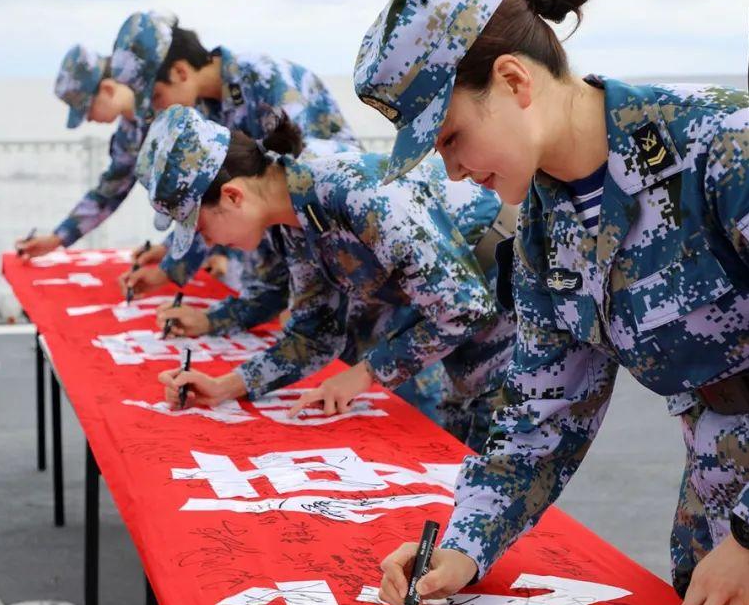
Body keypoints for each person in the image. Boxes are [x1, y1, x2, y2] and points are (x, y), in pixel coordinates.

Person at [355, 0, 749, 605]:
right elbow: (541, 418)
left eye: (450, 137)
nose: (451, 170)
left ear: (512, 80)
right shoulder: (545, 228)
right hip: (717, 512)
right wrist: (464, 545)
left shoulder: (720, 148)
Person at [137, 105, 515, 451]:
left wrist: (365, 373)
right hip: (466, 311)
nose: (210, 242)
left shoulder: (354, 191)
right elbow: (314, 334)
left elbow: (464, 307)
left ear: (234, 196)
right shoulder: (295, 226)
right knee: (458, 463)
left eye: (202, 228)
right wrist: (224, 387)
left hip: (508, 301)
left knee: (490, 465)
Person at [109, 11, 362, 297]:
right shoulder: (204, 110)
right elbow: (209, 201)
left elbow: (289, 184)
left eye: (156, 97)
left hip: (342, 240)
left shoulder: (265, 78)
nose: (159, 109)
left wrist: (299, 300)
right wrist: (170, 263)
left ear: (180, 72)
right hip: (291, 252)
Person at [15, 42, 145, 259]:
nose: (89, 119)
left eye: (88, 109)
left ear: (107, 89)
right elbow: (110, 191)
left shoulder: (169, 105)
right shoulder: (128, 134)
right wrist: (58, 238)